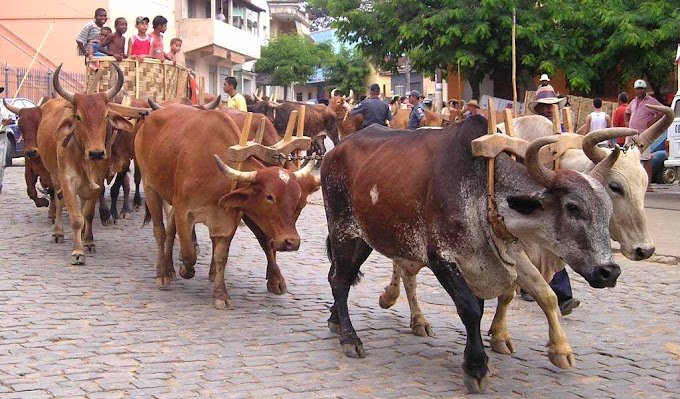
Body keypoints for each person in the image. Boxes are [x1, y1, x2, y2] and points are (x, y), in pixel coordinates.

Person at [523, 87, 580, 316]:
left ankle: (561, 294)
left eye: (551, 105)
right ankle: (541, 288)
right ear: (538, 108)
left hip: (557, 190)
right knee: (537, 242)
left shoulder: (563, 129)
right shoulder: (530, 128)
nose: (548, 109)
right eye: (544, 106)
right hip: (533, 189)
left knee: (553, 244)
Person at [625, 79, 663, 192]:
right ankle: (631, 183)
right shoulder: (633, 101)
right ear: (635, 90)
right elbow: (626, 113)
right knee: (628, 158)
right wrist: (627, 125)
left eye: (641, 89)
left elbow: (661, 111)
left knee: (646, 159)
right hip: (631, 134)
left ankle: (648, 185)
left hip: (644, 134)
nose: (639, 91)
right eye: (637, 89)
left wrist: (652, 122)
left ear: (644, 89)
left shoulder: (651, 101)